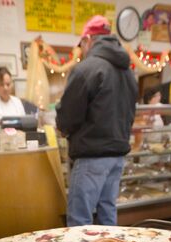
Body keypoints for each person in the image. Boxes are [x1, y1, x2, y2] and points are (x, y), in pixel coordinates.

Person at [56, 15, 138, 226]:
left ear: (88, 40)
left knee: (79, 220)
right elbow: (130, 114)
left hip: (92, 155)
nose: (82, 50)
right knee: (107, 213)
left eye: (81, 45)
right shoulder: (128, 72)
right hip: (117, 156)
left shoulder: (86, 69)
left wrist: (63, 128)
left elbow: (67, 116)